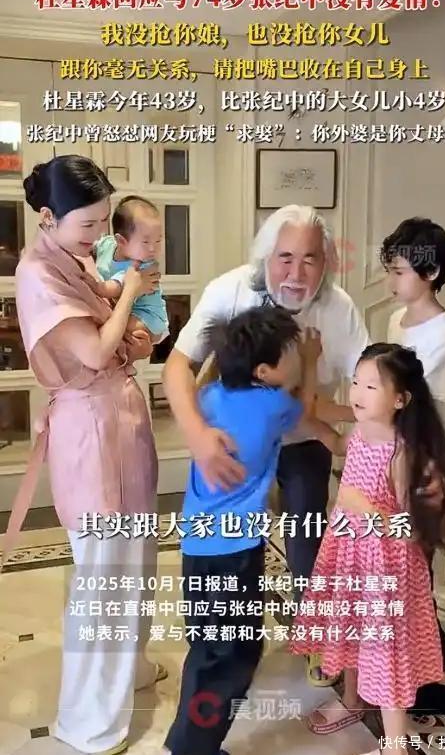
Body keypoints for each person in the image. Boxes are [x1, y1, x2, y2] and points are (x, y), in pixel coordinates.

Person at [163, 204, 369, 685]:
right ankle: (225, 643)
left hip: (302, 433)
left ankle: (313, 635)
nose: (296, 274)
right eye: (285, 258)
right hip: (243, 442)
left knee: (306, 536)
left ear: (326, 262)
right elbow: (177, 366)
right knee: (235, 545)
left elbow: (364, 378)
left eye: (310, 259)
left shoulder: (338, 308)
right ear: (266, 257)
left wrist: (376, 430)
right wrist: (197, 436)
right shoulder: (228, 290)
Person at [1, 155, 166, 755]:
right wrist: (132, 294)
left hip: (120, 421)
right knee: (104, 578)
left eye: (103, 222)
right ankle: (90, 723)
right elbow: (95, 352)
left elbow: (122, 338)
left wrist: (133, 331)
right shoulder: (38, 273)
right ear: (48, 216)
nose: (99, 236)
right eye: (89, 224)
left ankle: (130, 671)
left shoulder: (76, 257)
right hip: (92, 431)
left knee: (134, 564)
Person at [164, 306, 334, 755]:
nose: (297, 355)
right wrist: (312, 363)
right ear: (264, 371)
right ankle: (191, 749)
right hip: (236, 550)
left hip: (198, 545)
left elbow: (203, 382)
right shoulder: (273, 406)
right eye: (290, 352)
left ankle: (191, 744)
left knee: (208, 646)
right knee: (235, 653)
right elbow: (307, 408)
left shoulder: (210, 398)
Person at [290, 343, 445, 755]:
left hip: (387, 568)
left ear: (400, 399)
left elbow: (412, 530)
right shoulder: (362, 433)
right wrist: (311, 421)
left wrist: (366, 509)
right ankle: (353, 700)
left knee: (385, 651)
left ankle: (396, 746)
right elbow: (337, 441)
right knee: (351, 626)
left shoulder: (403, 453)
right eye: (356, 382)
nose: (357, 393)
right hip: (351, 555)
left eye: (371, 386)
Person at [382, 217, 445, 717]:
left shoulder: (444, 334)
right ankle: (423, 675)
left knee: (415, 574)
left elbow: (416, 404)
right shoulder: (398, 321)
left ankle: (440, 679)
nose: (391, 281)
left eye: (399, 272)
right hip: (395, 460)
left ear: (430, 273)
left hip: (426, 468)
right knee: (403, 575)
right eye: (389, 270)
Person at [93, 194, 169, 345]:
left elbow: (114, 288)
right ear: (121, 241)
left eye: (158, 240)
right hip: (124, 309)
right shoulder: (107, 245)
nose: (153, 248)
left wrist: (94, 286)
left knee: (118, 326)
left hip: (147, 316)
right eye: (145, 242)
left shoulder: (141, 266)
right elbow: (93, 245)